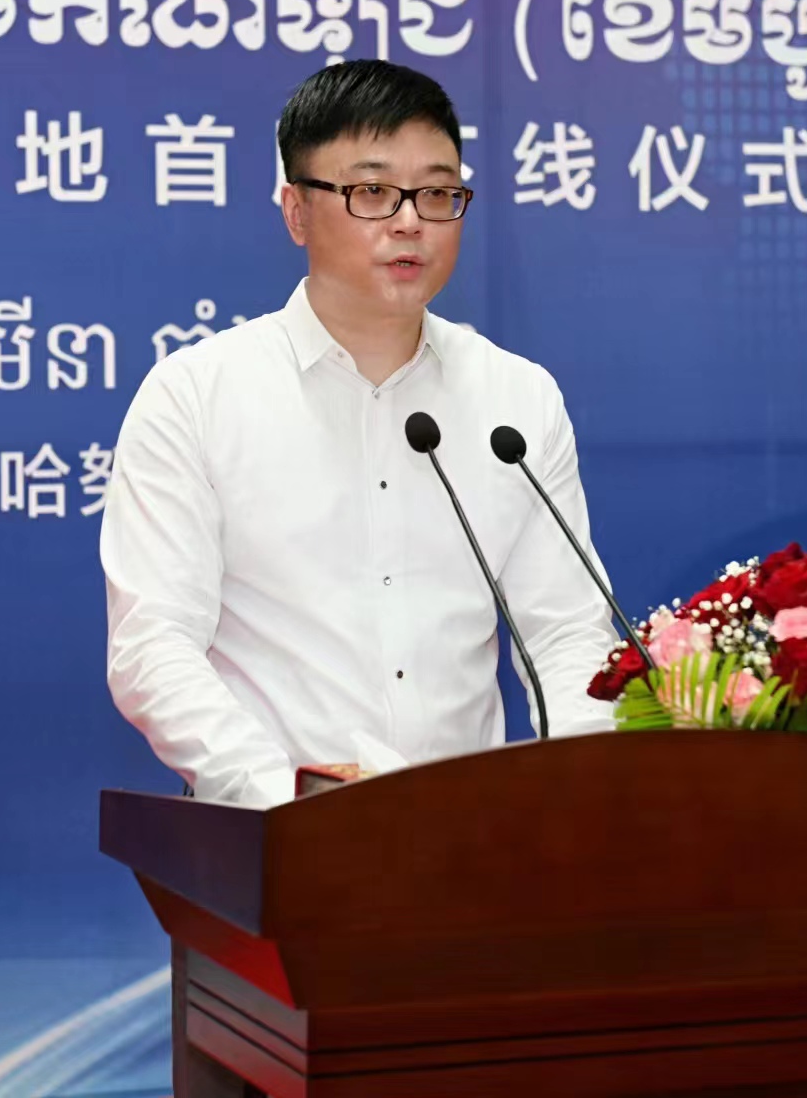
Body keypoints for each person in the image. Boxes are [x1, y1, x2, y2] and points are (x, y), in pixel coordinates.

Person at [101, 60, 618, 807]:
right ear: (296, 211)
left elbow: (566, 631)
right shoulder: (196, 396)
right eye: (372, 192)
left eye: (437, 192)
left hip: (472, 838)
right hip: (272, 836)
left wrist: (579, 787)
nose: (410, 221)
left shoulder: (517, 398)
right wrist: (288, 802)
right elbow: (154, 646)